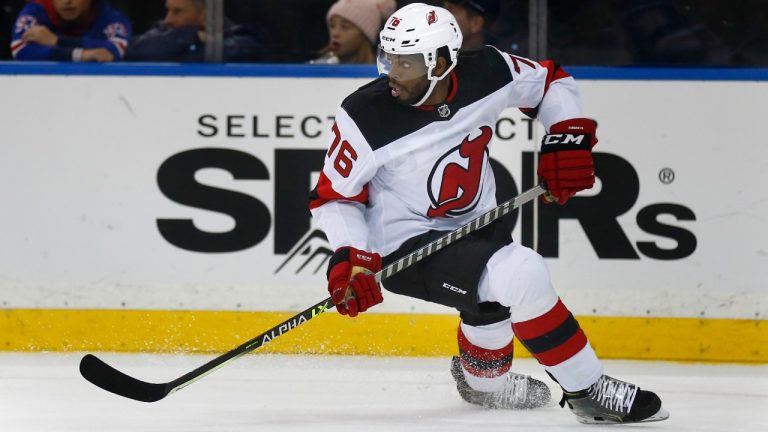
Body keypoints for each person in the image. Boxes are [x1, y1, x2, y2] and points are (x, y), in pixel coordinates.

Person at [309, 3, 669, 424]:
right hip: (406, 245)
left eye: (406, 62)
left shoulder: (489, 70)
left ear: (441, 63)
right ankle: (587, 389)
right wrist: (351, 254)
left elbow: (550, 82)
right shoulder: (365, 114)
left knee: (491, 308)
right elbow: (335, 196)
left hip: (479, 221)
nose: (392, 73)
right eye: (388, 59)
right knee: (523, 273)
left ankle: (482, 385)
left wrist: (566, 137)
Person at [125, 0, 271, 62]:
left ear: (204, 14)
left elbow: (207, 56)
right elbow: (134, 50)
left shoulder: (239, 36)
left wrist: (176, 47)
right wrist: (194, 35)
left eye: (177, 11)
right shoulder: (164, 29)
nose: (168, 19)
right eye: (168, 10)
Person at [10, 0, 131, 61]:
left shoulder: (108, 14)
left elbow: (116, 48)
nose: (67, 1)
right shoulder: (36, 10)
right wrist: (79, 55)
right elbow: (20, 49)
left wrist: (56, 41)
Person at [310, 0, 396, 64]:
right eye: (332, 26)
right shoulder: (317, 67)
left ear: (364, 35)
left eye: (345, 27)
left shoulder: (382, 74)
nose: (335, 33)